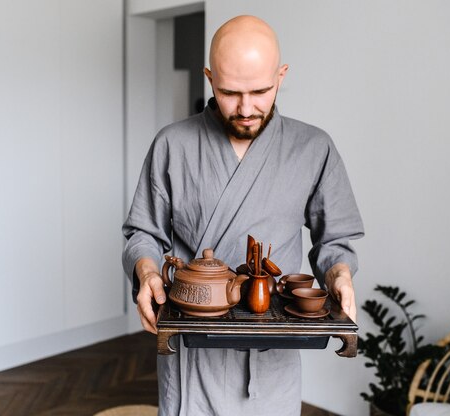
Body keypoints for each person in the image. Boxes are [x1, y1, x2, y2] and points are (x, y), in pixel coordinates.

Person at [122, 15, 364, 416]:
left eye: (260, 91)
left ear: (281, 76)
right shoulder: (172, 144)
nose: (246, 108)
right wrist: (147, 273)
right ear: (208, 78)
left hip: (272, 352)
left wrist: (340, 276)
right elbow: (143, 233)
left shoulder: (314, 148)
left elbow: (334, 241)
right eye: (230, 92)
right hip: (192, 351)